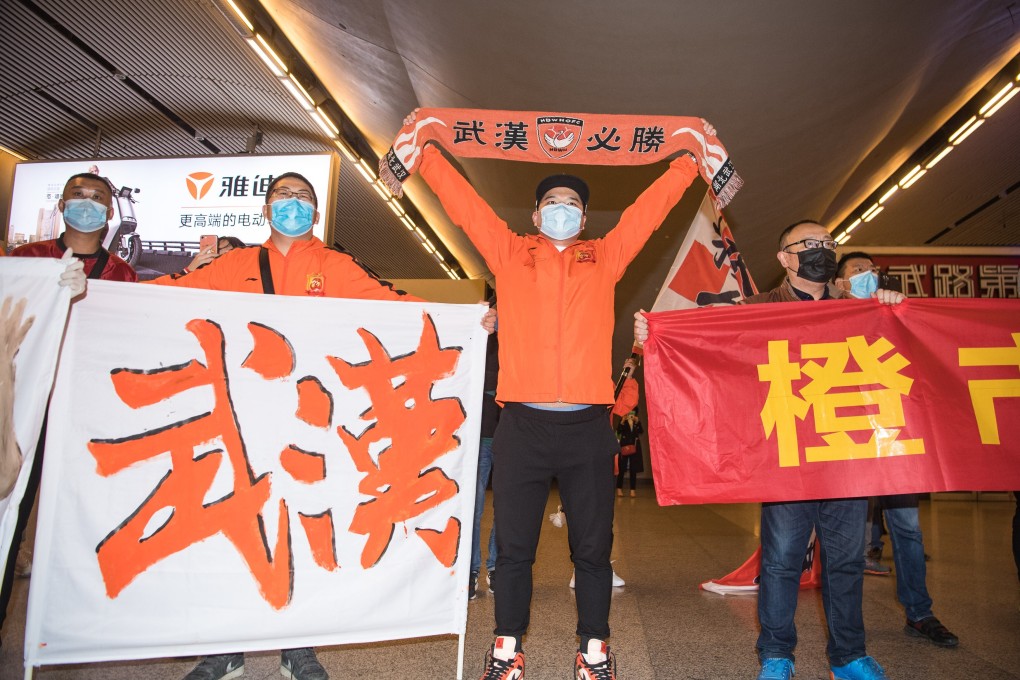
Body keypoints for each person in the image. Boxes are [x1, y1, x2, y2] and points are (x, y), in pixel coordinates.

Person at [149, 171, 493, 680]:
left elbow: (394, 303)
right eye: (284, 196)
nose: (294, 204)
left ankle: (299, 646)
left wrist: (469, 318)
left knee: (303, 522)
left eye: (304, 198)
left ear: (316, 211)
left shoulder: (335, 266)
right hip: (243, 415)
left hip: (309, 421)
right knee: (238, 525)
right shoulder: (236, 264)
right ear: (266, 211)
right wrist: (89, 292)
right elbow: (164, 297)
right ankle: (226, 646)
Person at [405, 108, 702, 680]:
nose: (562, 210)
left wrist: (689, 163)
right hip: (522, 426)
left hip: (588, 427)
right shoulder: (511, 254)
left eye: (572, 204)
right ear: (536, 214)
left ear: (584, 217)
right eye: (552, 203)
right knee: (513, 547)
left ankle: (594, 649)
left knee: (592, 549)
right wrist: (425, 151)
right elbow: (464, 205)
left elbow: (650, 210)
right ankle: (507, 649)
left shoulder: (606, 257)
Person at [635, 220, 904, 680]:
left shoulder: (859, 308)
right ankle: (777, 653)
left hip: (844, 452)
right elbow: (703, 344)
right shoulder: (755, 310)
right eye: (809, 245)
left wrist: (894, 307)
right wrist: (654, 335)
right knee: (781, 561)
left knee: (844, 561)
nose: (822, 251)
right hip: (785, 457)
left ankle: (849, 655)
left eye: (828, 244)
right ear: (784, 258)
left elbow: (903, 350)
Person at [1, 172, 134, 643]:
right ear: (61, 203)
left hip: (82, 410)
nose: (88, 204)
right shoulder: (26, 259)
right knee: (10, 511)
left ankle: (65, 622)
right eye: (79, 195)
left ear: (111, 212)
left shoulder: (122, 274)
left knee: (75, 514)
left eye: (98, 198)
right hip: (21, 406)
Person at [835, 251, 958, 647]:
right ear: (840, 281)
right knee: (848, 538)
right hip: (847, 439)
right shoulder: (828, 314)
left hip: (893, 438)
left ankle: (919, 612)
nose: (868, 275)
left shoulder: (897, 311)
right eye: (857, 270)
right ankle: (846, 625)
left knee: (908, 530)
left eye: (872, 270)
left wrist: (895, 305)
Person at [470, 328, 499, 600]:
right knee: (473, 509)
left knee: (506, 509)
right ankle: (470, 571)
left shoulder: (522, 336)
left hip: (511, 438)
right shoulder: (477, 331)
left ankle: (496, 568)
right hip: (476, 439)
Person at [616, 411, 644, 498]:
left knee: (633, 469)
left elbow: (641, 431)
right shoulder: (623, 421)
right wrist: (622, 421)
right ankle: (619, 488)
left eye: (632, 414)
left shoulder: (636, 422)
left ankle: (632, 490)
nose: (630, 416)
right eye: (628, 414)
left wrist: (637, 421)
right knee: (622, 468)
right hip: (624, 447)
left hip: (634, 448)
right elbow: (618, 431)